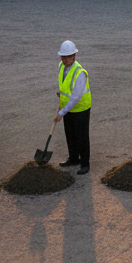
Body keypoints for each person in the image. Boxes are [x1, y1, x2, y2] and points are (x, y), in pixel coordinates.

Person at [54, 40, 91, 174]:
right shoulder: (61, 66)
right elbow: (64, 88)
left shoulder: (80, 72)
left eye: (69, 56)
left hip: (81, 109)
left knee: (82, 137)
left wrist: (61, 113)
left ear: (74, 55)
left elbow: (76, 97)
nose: (66, 59)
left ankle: (85, 164)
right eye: (63, 57)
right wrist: (61, 106)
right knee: (70, 135)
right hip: (67, 108)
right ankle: (74, 158)